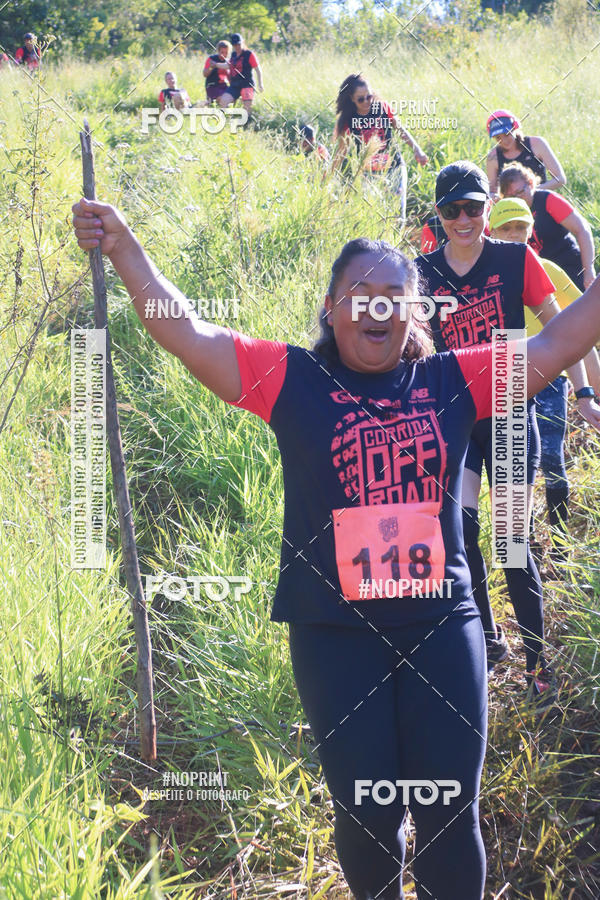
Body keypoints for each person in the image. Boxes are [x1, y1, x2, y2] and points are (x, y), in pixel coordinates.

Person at [72, 193, 600, 900]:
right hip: (334, 635)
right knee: (368, 815)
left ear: (416, 316)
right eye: (360, 293)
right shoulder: (292, 379)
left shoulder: (455, 379)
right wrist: (125, 248)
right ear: (330, 307)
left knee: (449, 812)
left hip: (442, 625)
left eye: (394, 297)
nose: (377, 308)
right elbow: (188, 333)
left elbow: (557, 344)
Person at [415, 161, 566, 699]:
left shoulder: (513, 258)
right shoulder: (422, 273)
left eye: (473, 208)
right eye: (452, 209)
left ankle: (539, 665)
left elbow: (559, 323)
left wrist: (587, 392)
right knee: (461, 533)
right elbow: (408, 353)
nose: (464, 219)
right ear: (438, 215)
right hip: (454, 421)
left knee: (512, 544)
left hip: (505, 410)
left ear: (486, 207)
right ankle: (487, 637)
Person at [489, 198, 600, 564]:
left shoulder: (548, 269)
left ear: (531, 231)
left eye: (521, 227)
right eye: (506, 228)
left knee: (551, 456)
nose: (515, 235)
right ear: (492, 231)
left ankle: (562, 542)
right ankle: (522, 547)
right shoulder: (484, 275)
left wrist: (589, 393)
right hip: (504, 377)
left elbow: (582, 330)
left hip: (551, 376)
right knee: (514, 467)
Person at [331, 74, 428, 221]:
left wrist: (417, 149)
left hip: (394, 168)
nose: (366, 102)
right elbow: (341, 152)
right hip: (369, 174)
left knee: (397, 214)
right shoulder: (348, 119)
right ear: (352, 98)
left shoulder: (381, 108)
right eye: (360, 99)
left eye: (369, 96)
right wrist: (328, 177)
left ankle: (395, 241)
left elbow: (401, 130)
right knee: (375, 215)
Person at [499, 162, 596, 291]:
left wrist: (588, 270)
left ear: (531, 184)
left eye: (520, 192)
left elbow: (582, 229)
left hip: (569, 267)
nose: (518, 199)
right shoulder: (506, 213)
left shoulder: (547, 199)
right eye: (511, 196)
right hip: (538, 276)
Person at [485, 109, 565, 200]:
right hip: (511, 208)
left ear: (515, 127)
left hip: (540, 200)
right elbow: (491, 192)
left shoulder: (537, 144)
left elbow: (560, 179)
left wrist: (529, 192)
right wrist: (498, 198)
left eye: (507, 134)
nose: (504, 141)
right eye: (498, 137)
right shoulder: (493, 157)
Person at [220, 34, 263, 118]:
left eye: (239, 44)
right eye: (235, 45)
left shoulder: (249, 54)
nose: (237, 46)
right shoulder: (233, 55)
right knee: (223, 101)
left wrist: (260, 84)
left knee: (247, 109)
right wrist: (215, 65)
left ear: (243, 42)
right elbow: (228, 65)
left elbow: (258, 69)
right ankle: (227, 121)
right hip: (235, 85)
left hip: (247, 85)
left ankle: (247, 125)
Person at [203, 40, 231, 106]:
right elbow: (205, 74)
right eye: (222, 52)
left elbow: (230, 78)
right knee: (222, 98)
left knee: (232, 96)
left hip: (224, 85)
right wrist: (211, 67)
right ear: (218, 51)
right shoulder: (211, 59)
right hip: (212, 85)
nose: (224, 55)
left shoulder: (228, 61)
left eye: (226, 52)